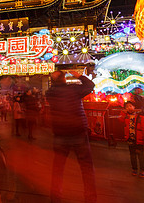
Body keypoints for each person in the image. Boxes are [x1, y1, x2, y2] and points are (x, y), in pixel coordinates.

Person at [46, 70, 97, 203]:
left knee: (58, 168)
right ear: (65, 79)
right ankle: (90, 198)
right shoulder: (73, 90)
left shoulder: (50, 93)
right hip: (78, 132)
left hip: (60, 134)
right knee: (86, 167)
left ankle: (55, 198)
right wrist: (78, 75)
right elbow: (90, 85)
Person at [119, 101, 144, 178]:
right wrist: (123, 113)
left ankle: (143, 170)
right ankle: (134, 169)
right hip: (130, 139)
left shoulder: (141, 117)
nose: (128, 108)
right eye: (126, 107)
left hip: (139, 140)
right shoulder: (126, 116)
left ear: (134, 107)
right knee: (132, 155)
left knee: (140, 156)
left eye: (130, 106)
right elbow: (120, 120)